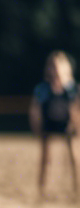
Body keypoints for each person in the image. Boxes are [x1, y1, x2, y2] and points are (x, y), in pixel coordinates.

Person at [31, 50, 78, 196]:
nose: (56, 69)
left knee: (75, 158)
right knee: (46, 159)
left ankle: (77, 188)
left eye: (59, 66)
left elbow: (76, 109)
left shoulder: (72, 89)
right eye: (53, 66)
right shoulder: (43, 89)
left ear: (67, 68)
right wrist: (37, 128)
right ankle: (42, 189)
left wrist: (76, 126)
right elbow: (35, 110)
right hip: (49, 124)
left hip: (67, 124)